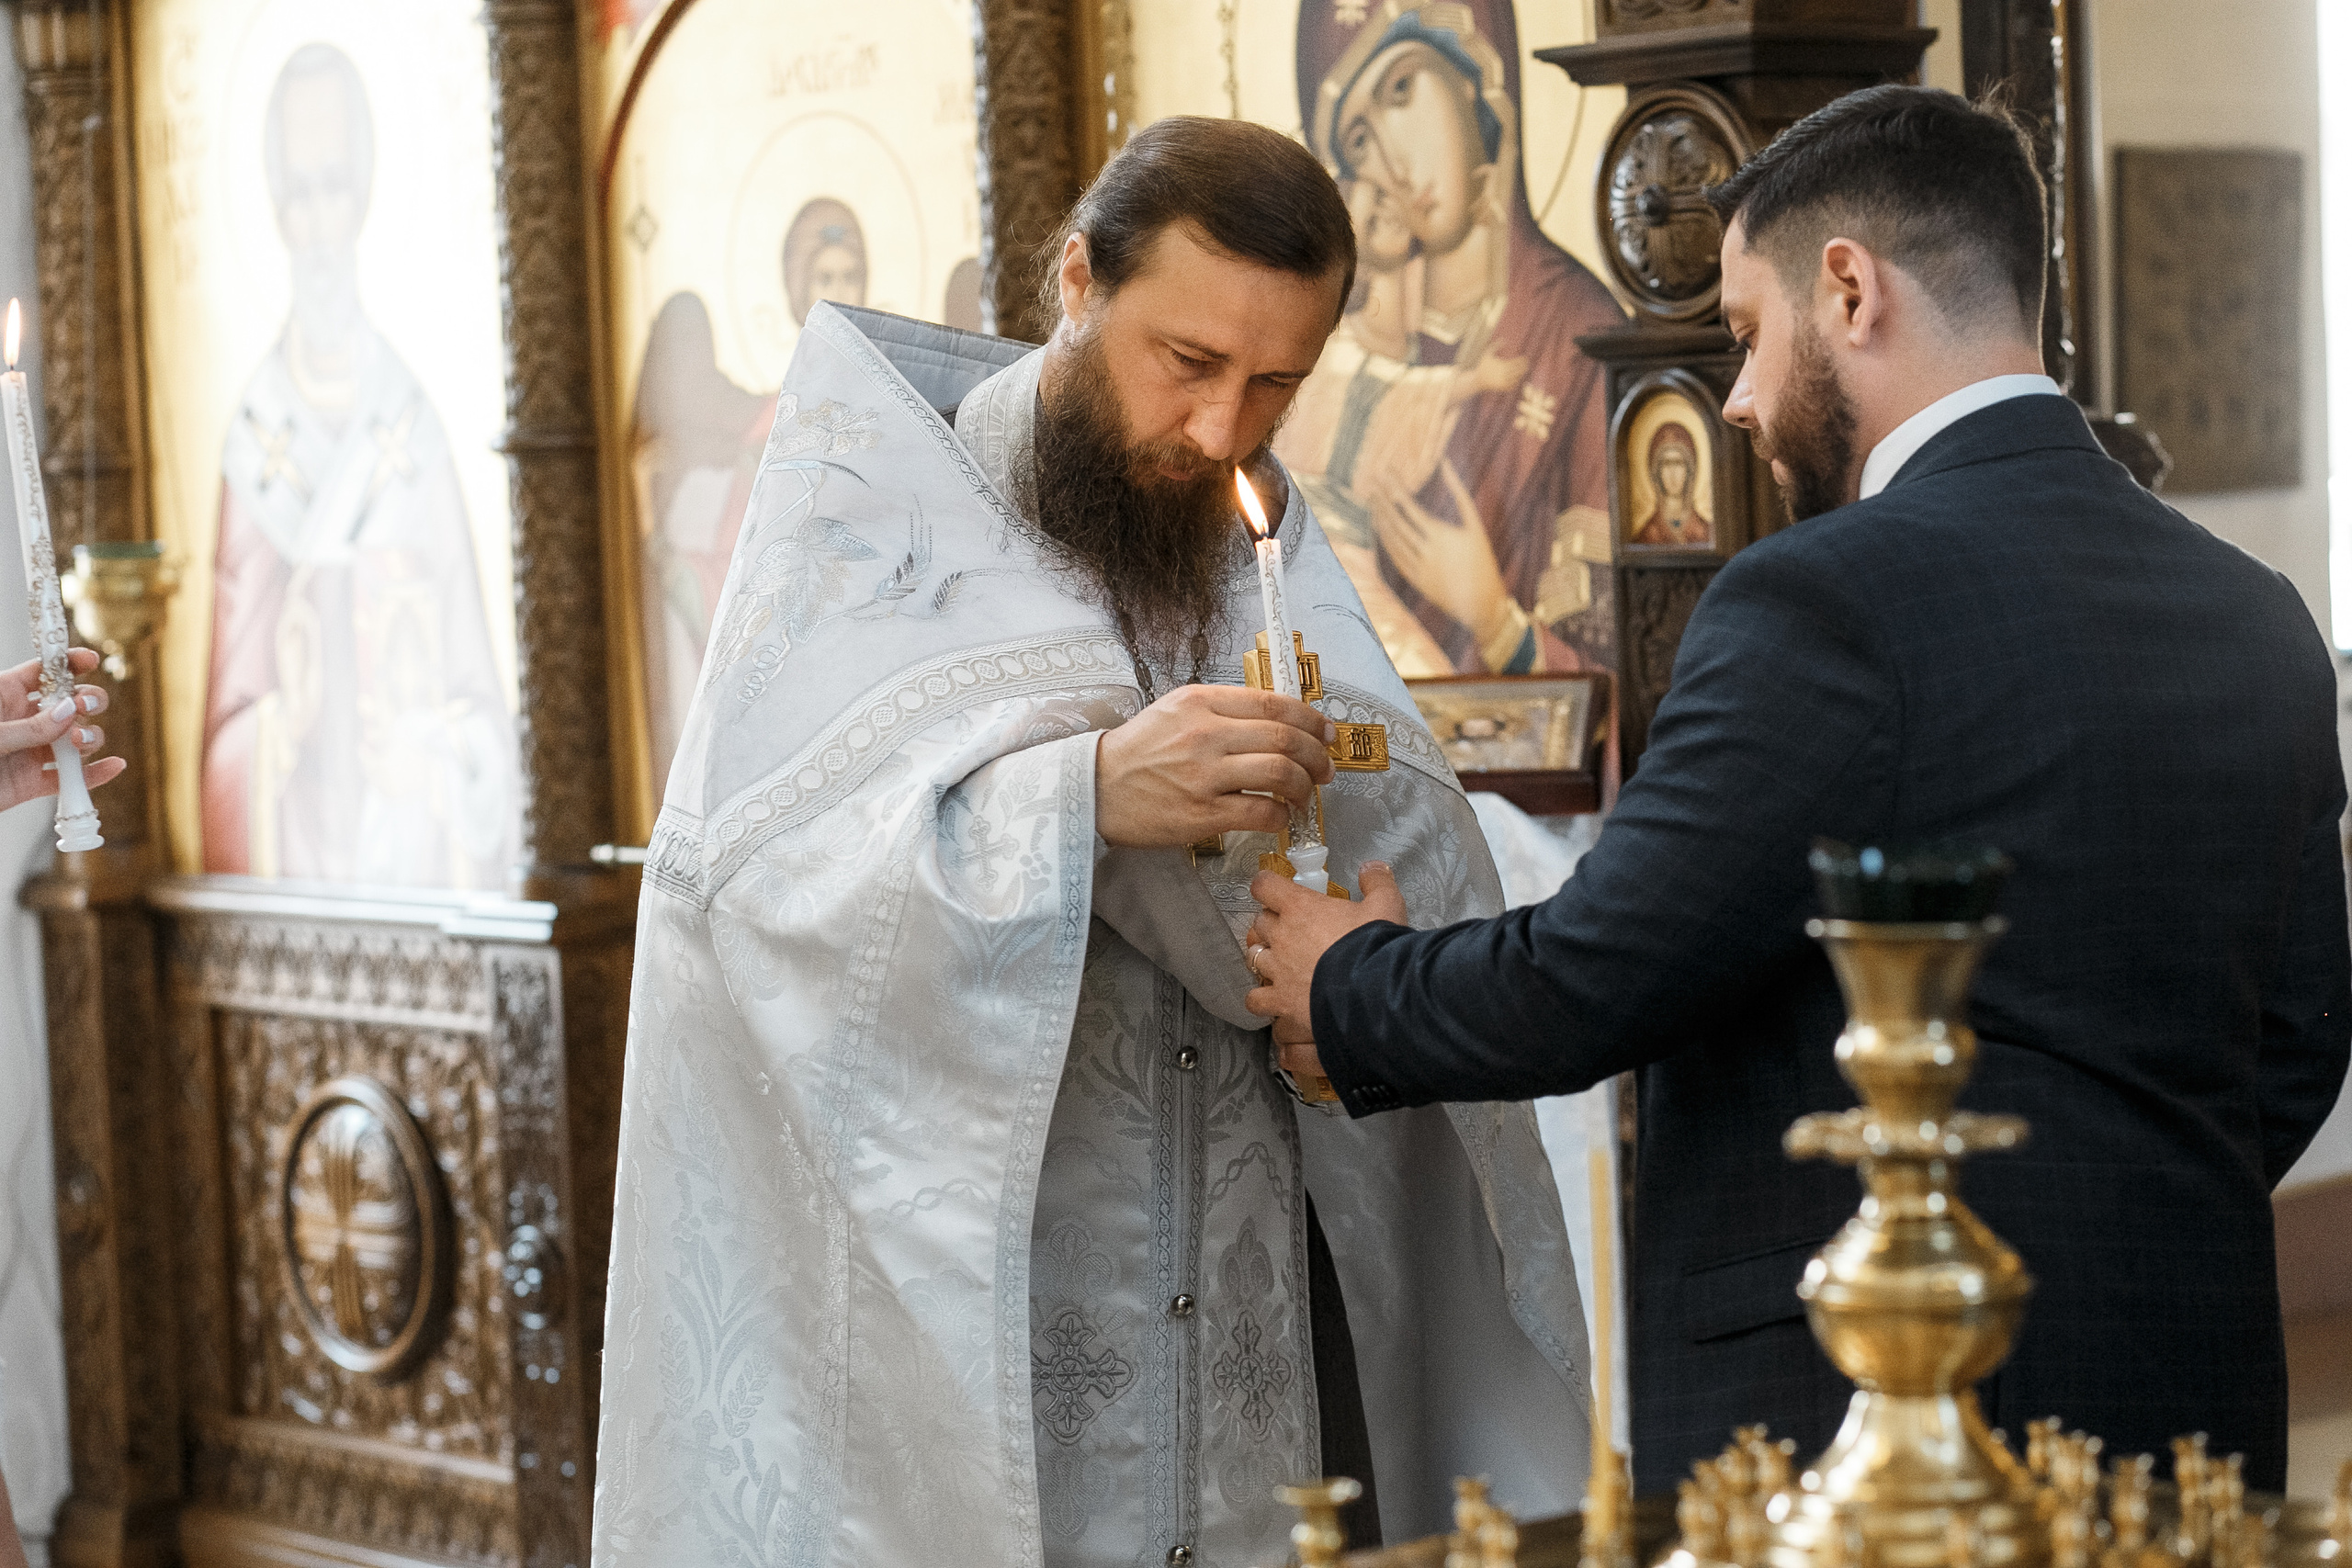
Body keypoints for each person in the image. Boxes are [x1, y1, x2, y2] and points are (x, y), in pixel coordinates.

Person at [1240, 85, 2350, 1494]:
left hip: (1878, 1413)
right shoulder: (2255, 612)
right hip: (2193, 1382)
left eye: (1750, 333)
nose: (1745, 400)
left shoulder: (1825, 600)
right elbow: (2303, 1030)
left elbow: (1604, 969)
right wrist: (2126, 1223)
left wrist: (1353, 984)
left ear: (1850, 289)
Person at [591, 117, 1592, 1568]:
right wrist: (1085, 797)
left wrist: (1369, 949)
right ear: (1077, 279)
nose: (1221, 433)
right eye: (1186, 363)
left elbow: (1387, 801)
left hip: (1241, 1301)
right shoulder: (876, 522)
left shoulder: (1252, 533)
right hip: (990, 1320)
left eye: (1277, 386)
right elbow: (744, 895)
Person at [201, 42, 516, 887]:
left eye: (334, 186)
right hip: (295, 875)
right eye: (299, 194)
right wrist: (280, 724)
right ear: (275, 209)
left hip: (417, 870)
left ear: (366, 195)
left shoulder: (410, 427)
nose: (318, 223)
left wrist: (435, 763)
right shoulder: (253, 443)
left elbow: (484, 706)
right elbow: (224, 734)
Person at [1278, 0, 1624, 679]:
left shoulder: (1577, 334)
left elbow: (1630, 662)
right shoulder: (1326, 354)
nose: (1393, 162)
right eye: (1357, 139)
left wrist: (1493, 615)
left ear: (1476, 74)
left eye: (1402, 89)